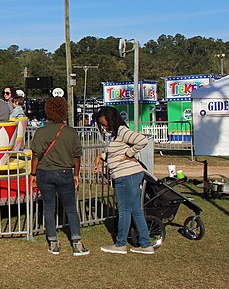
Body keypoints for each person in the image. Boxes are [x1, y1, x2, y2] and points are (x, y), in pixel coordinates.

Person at [30, 97, 89, 256]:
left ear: (47, 110)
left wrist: (33, 173)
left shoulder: (40, 132)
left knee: (49, 208)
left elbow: (36, 155)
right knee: (70, 208)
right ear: (64, 111)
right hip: (64, 172)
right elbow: (77, 156)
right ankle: (77, 243)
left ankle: (53, 242)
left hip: (44, 172)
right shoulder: (70, 132)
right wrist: (76, 174)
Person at [93, 106, 153, 255]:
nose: (105, 128)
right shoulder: (116, 134)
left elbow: (142, 140)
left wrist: (130, 153)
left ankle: (120, 244)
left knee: (124, 210)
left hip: (126, 176)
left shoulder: (122, 131)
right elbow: (116, 153)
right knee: (135, 211)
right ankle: (146, 244)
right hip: (128, 175)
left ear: (112, 120)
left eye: (105, 124)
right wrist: (102, 157)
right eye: (102, 126)